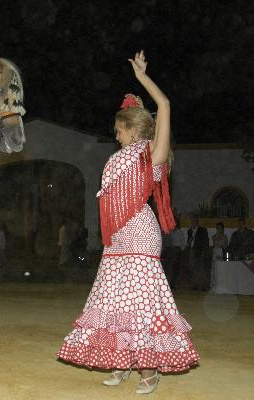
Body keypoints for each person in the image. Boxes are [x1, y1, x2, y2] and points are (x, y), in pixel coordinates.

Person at [56, 51, 199, 394]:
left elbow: (163, 105)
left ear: (134, 130)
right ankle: (122, 361)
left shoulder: (153, 154)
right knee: (115, 299)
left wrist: (143, 80)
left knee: (139, 302)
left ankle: (148, 370)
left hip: (139, 232)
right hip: (118, 236)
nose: (116, 136)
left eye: (119, 130)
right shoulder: (119, 156)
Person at [185, 216, 209, 290]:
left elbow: (206, 241)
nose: (192, 223)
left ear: (197, 222)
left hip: (200, 251)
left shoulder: (203, 230)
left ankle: (203, 286)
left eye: (194, 221)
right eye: (191, 221)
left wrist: (205, 251)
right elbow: (188, 242)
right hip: (191, 250)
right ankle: (195, 284)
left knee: (200, 268)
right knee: (192, 268)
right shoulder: (189, 231)